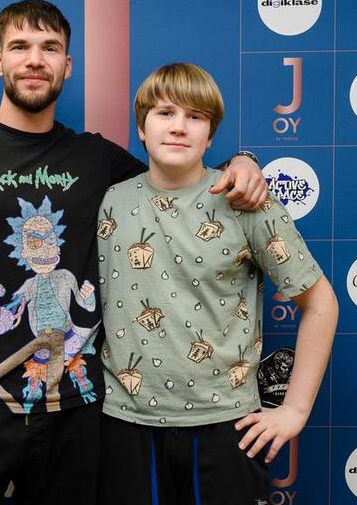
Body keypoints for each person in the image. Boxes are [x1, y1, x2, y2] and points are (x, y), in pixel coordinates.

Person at [0, 0, 270, 504]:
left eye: (50, 48)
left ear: (67, 65)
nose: (35, 59)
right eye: (20, 46)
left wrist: (243, 161)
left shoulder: (97, 160)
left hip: (78, 417)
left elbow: (180, 178)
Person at [95, 63, 338, 504]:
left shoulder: (247, 202)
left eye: (195, 116)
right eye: (165, 113)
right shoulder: (111, 200)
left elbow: (320, 302)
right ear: (142, 128)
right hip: (126, 424)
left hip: (226, 425)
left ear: (210, 136)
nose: (179, 127)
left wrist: (295, 409)